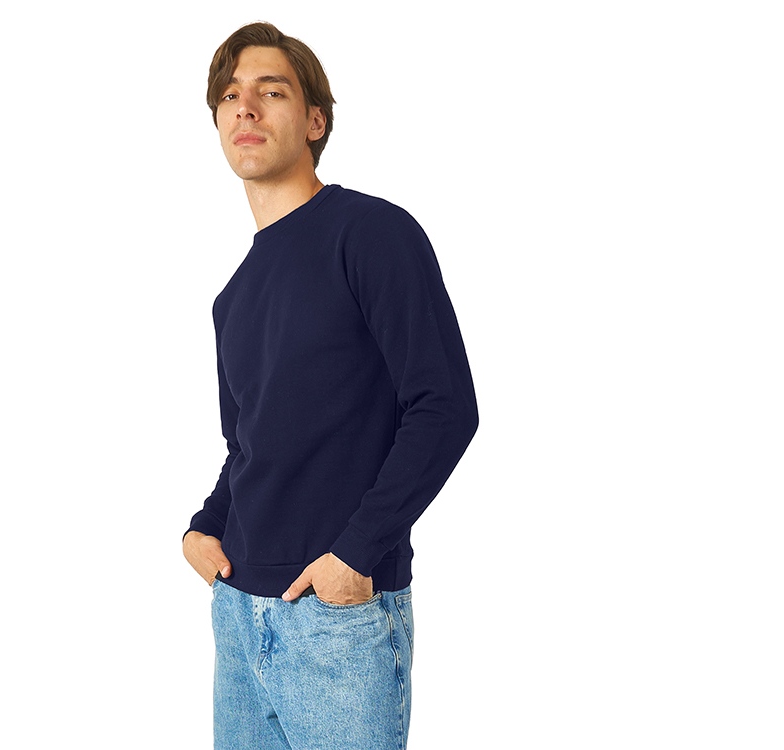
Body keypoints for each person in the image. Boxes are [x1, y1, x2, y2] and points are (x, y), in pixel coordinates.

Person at [181, 21, 479, 750]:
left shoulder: (370, 233)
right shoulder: (232, 297)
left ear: (315, 121)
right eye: (229, 96)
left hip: (336, 619)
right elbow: (247, 444)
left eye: (271, 91)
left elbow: (444, 407)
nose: (245, 107)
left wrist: (356, 553)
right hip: (238, 613)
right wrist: (204, 525)